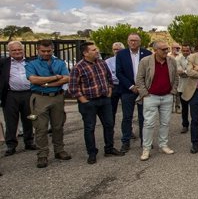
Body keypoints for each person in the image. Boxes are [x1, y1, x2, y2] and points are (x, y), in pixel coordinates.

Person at [69, 42, 125, 164]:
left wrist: (109, 91)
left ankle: (109, 149)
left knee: (109, 125)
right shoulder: (78, 67)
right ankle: (92, 153)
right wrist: (84, 101)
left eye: (96, 49)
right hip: (89, 102)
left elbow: (109, 78)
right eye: (94, 50)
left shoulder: (102, 63)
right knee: (89, 128)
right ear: (85, 53)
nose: (97, 51)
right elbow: (73, 88)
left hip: (104, 100)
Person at [25, 40, 71, 168]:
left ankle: (59, 150)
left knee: (58, 126)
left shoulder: (60, 63)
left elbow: (66, 78)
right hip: (40, 97)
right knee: (41, 128)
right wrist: (56, 77)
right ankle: (42, 155)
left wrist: (45, 83)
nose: (46, 53)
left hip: (57, 97)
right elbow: (33, 79)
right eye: (43, 51)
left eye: (49, 51)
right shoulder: (31, 64)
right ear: (38, 50)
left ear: (52, 50)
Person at [135, 41, 178, 161]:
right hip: (151, 97)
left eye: (167, 49)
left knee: (165, 122)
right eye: (163, 49)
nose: (166, 51)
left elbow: (176, 78)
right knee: (149, 123)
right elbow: (139, 79)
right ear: (155, 50)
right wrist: (144, 94)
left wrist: (173, 91)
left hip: (167, 96)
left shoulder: (171, 61)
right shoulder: (145, 61)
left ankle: (163, 145)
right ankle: (146, 148)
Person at [115, 33, 151, 151]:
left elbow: (150, 73)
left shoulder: (147, 54)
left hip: (143, 90)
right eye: (131, 40)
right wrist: (131, 86)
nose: (133, 42)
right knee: (127, 117)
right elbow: (119, 72)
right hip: (127, 90)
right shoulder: (121, 54)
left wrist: (142, 87)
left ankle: (144, 141)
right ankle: (125, 141)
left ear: (140, 42)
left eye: (135, 40)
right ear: (127, 42)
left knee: (144, 117)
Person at [0, 41, 37, 156]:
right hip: (11, 94)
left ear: (23, 50)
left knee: (29, 118)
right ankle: (11, 145)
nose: (17, 52)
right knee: (10, 120)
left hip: (28, 93)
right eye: (14, 50)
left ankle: (29, 141)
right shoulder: (3, 63)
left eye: (19, 50)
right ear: (9, 52)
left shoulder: (31, 62)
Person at [105, 42, 124, 121]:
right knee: (111, 110)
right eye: (114, 49)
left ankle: (127, 131)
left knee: (127, 111)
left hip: (125, 86)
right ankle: (110, 131)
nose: (116, 51)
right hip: (114, 86)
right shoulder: (108, 61)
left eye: (118, 49)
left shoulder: (127, 60)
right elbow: (109, 75)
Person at [176, 44, 192, 133]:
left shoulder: (194, 58)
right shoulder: (177, 59)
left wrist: (186, 72)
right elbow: (179, 72)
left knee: (194, 108)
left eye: (187, 50)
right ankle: (185, 125)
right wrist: (188, 72)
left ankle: (194, 124)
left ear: (190, 50)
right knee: (184, 108)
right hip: (182, 87)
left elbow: (194, 71)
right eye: (184, 50)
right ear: (182, 50)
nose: (185, 52)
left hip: (193, 87)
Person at [169, 43, 182, 113]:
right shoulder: (168, 55)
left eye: (178, 48)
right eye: (176, 48)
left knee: (178, 93)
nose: (177, 49)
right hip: (169, 77)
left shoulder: (181, 56)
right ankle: (171, 107)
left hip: (178, 77)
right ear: (172, 48)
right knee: (170, 92)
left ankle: (178, 107)